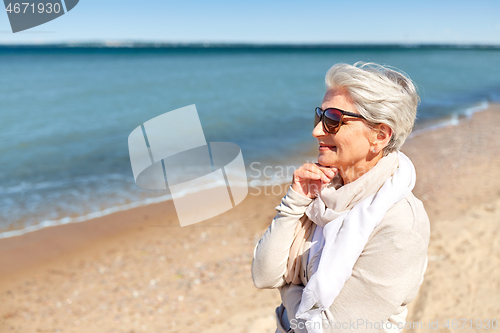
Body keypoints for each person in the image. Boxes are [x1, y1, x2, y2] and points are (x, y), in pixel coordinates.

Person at [251, 62, 430, 333]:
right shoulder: (321, 191)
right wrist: (294, 202)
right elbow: (264, 275)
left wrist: (288, 290)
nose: (317, 131)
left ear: (380, 136)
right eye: (319, 116)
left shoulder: (401, 225)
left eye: (333, 119)